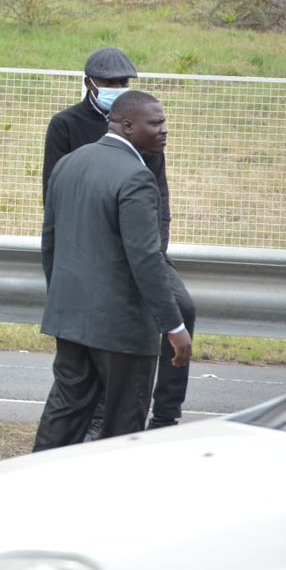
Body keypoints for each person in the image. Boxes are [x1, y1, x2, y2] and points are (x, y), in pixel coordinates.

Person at [42, 47, 197, 433]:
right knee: (105, 358)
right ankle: (102, 418)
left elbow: (158, 205)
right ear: (89, 84)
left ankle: (167, 412)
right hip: (90, 247)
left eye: (123, 82)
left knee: (181, 308)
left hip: (138, 246)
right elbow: (55, 202)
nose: (117, 86)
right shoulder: (66, 126)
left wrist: (156, 251)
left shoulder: (146, 133)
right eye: (109, 82)